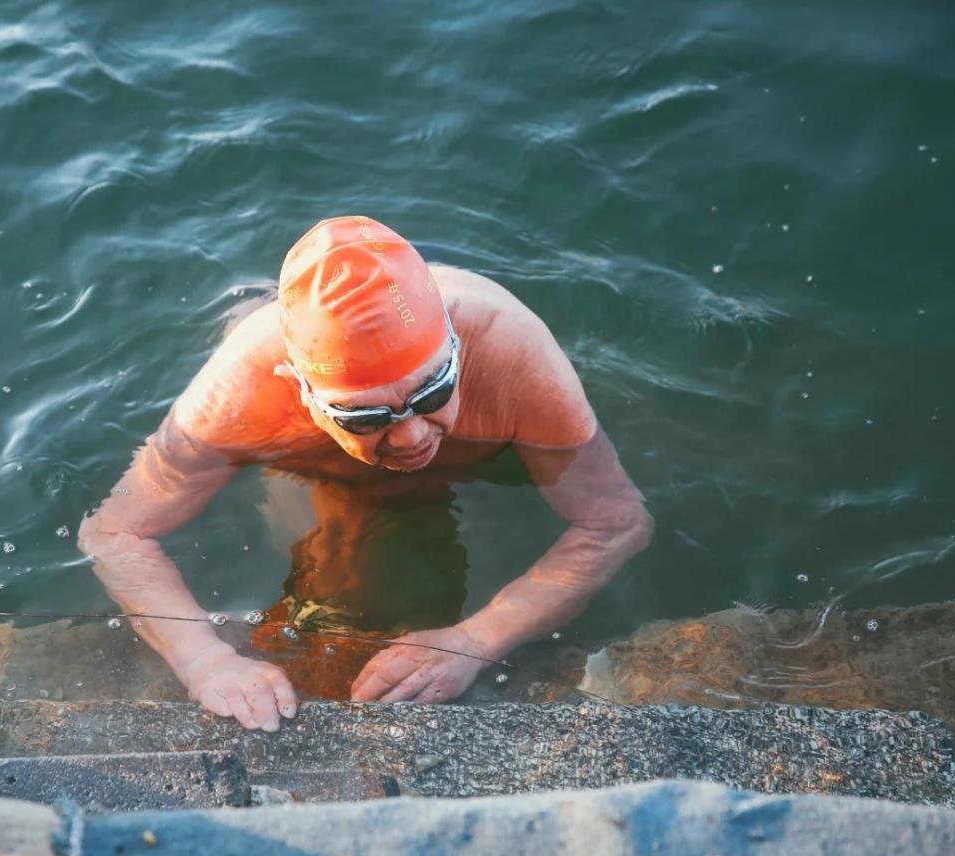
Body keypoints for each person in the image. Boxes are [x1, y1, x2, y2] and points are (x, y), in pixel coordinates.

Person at [78, 216, 653, 731]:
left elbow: (616, 522)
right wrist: (205, 660)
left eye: (433, 392)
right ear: (298, 388)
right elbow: (113, 532)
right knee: (333, 575)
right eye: (367, 416)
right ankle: (261, 312)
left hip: (444, 322)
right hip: (309, 442)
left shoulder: (511, 353)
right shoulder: (236, 397)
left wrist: (477, 639)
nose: (412, 436)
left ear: (456, 347)